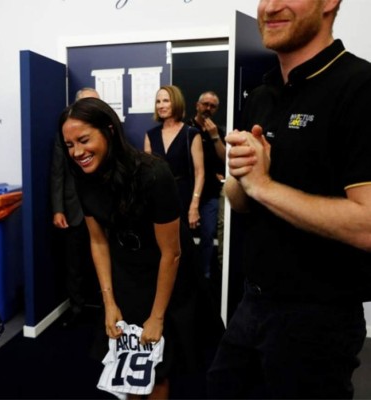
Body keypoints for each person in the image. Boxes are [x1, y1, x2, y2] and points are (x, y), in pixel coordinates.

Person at [207, 0, 371, 398]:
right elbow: (240, 199)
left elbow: (367, 226)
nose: (271, 6)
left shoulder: (359, 86)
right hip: (253, 303)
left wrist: (263, 185)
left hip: (320, 317)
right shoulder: (262, 95)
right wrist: (241, 177)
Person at [59, 97, 224, 399]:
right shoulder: (83, 177)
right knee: (129, 368)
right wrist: (109, 303)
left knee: (157, 369)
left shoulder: (153, 174)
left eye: (83, 140)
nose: (77, 152)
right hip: (126, 273)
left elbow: (171, 253)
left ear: (108, 130)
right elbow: (98, 242)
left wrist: (157, 316)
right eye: (69, 145)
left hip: (166, 271)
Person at [50, 87, 100, 327]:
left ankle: (107, 308)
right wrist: (58, 209)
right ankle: (77, 309)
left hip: (102, 209)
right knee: (74, 263)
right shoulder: (64, 134)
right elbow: (57, 172)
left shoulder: (107, 133)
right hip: (74, 210)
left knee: (107, 259)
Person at [144, 85, 205, 232]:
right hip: (157, 197)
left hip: (182, 196)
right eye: (158, 102)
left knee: (182, 245)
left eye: (166, 100)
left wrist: (194, 204)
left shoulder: (191, 133)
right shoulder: (150, 135)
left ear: (176, 102)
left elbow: (200, 172)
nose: (161, 105)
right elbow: (146, 172)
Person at [187, 91, 226, 278]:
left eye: (212, 106)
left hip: (210, 192)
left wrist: (215, 136)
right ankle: (186, 274)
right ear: (197, 105)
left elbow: (225, 159)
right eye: (205, 104)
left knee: (208, 235)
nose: (208, 109)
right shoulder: (186, 128)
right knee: (183, 236)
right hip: (188, 190)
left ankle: (205, 274)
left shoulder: (218, 131)